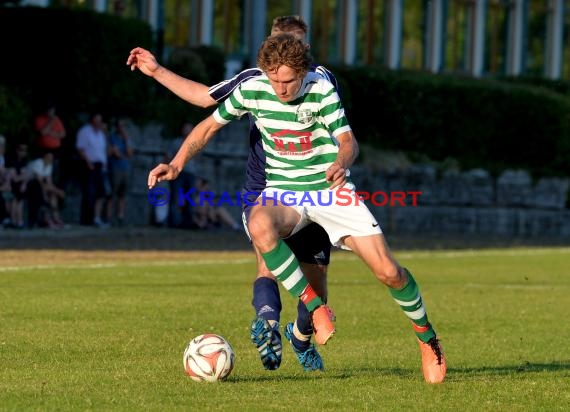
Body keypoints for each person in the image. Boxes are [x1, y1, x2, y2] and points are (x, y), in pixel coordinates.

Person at [147, 33, 447, 383]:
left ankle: (428, 340)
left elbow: (348, 142)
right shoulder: (254, 88)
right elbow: (209, 125)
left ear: (303, 73)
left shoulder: (321, 88)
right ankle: (315, 308)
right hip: (284, 192)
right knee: (259, 225)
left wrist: (340, 161)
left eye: (288, 81)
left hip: (329, 190)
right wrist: (177, 163)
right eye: (274, 80)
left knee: (389, 273)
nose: (281, 89)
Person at [128, 15, 336, 373]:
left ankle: (300, 336)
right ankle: (267, 324)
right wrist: (157, 70)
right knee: (267, 260)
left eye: (292, 44)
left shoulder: (322, 82)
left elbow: (338, 134)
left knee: (317, 283)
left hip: (313, 190)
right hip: (263, 188)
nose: (282, 53)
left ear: (305, 50)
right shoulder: (253, 80)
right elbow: (204, 100)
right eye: (276, 43)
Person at [76, 113, 110, 228]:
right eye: (97, 121)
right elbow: (81, 148)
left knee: (100, 192)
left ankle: (96, 217)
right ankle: (86, 219)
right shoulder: (85, 132)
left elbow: (102, 150)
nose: (99, 123)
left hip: (100, 166)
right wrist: (88, 162)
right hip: (89, 165)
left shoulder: (101, 134)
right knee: (89, 192)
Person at [167, 121, 197, 229]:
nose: (187, 130)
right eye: (185, 128)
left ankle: (188, 222)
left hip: (191, 173)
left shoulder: (196, 142)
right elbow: (168, 156)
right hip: (178, 173)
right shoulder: (176, 142)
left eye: (189, 128)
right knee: (175, 197)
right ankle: (175, 222)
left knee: (189, 198)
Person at [26, 150, 66, 228]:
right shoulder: (38, 163)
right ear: (44, 157)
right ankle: (47, 219)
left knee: (53, 195)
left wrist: (55, 190)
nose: (51, 160)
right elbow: (39, 181)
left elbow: (49, 181)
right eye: (49, 158)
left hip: (40, 185)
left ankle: (55, 218)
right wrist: (58, 191)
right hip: (31, 184)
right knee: (44, 196)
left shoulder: (49, 165)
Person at [106, 117, 133, 227]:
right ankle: (108, 218)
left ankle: (120, 217)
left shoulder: (126, 139)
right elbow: (114, 153)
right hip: (115, 169)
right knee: (112, 194)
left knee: (122, 195)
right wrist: (122, 155)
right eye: (120, 126)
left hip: (126, 169)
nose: (122, 128)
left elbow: (130, 154)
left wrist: (126, 140)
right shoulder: (112, 138)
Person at [33, 101, 66, 183]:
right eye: (49, 110)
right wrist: (51, 122)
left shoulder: (57, 120)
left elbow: (62, 134)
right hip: (43, 149)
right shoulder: (39, 119)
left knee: (54, 169)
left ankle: (53, 186)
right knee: (42, 168)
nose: (50, 112)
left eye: (52, 110)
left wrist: (50, 133)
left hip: (55, 150)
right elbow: (43, 132)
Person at [4, 142, 30, 229]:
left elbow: (24, 175)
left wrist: (23, 182)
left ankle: (19, 221)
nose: (23, 152)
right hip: (12, 185)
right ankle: (14, 221)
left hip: (19, 185)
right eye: (21, 150)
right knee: (14, 202)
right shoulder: (11, 160)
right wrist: (22, 178)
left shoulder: (24, 161)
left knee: (20, 202)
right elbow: (13, 177)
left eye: (25, 150)